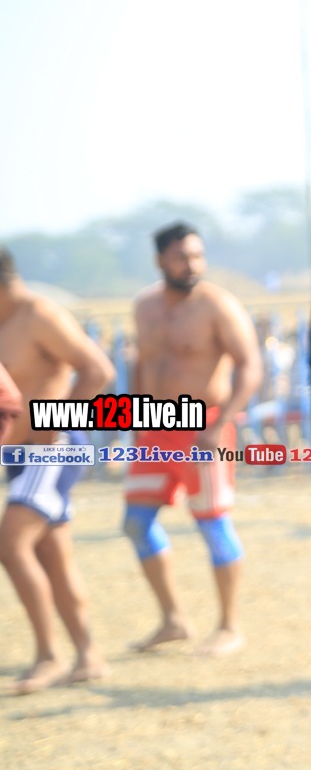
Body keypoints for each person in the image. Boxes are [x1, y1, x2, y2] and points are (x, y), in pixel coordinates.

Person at [123, 223, 263, 656]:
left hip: (204, 428)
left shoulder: (218, 305)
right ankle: (174, 619)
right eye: (182, 257)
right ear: (160, 260)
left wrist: (220, 425)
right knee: (135, 522)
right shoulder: (144, 306)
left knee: (213, 523)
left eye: (197, 256)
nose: (192, 265)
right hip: (153, 428)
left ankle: (229, 627)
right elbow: (142, 365)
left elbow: (250, 366)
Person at [0, 247, 115, 693]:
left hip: (53, 449)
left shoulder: (40, 315)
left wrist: (59, 423)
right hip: (20, 457)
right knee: (52, 554)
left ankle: (49, 656)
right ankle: (89, 656)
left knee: (11, 544)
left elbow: (98, 370)